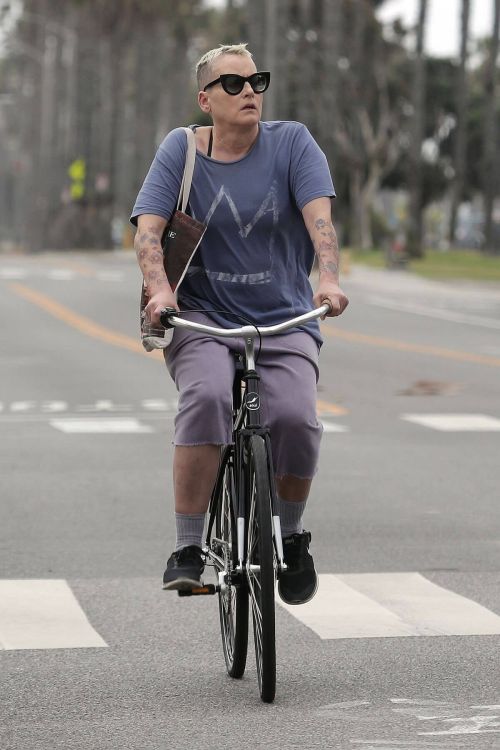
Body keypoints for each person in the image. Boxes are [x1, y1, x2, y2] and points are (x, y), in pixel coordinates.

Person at [131, 43, 348, 605]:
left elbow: (320, 221)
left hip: (284, 317)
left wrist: (327, 278)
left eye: (256, 81)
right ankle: (187, 548)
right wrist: (159, 290)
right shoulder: (180, 151)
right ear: (205, 98)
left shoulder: (293, 143)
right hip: (202, 316)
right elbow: (149, 232)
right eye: (233, 84)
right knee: (205, 397)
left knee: (296, 418)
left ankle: (292, 537)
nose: (249, 91)